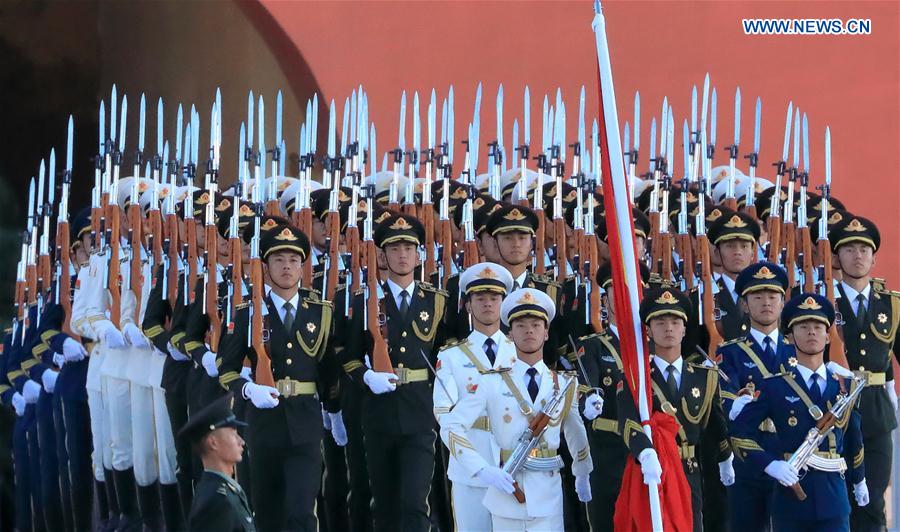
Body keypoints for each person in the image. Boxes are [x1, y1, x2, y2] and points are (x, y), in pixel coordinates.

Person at [217, 222, 339, 532]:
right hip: (262, 423)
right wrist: (247, 390)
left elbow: (328, 369)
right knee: (266, 511)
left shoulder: (320, 312)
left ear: (302, 265)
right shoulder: (249, 313)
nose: (287, 267)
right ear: (266, 266)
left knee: (301, 511)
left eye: (293, 260)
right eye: (279, 260)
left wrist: (335, 412)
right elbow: (225, 368)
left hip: (305, 421)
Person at [440, 288, 593, 530]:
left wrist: (582, 472)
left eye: (536, 325)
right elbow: (450, 426)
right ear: (510, 333)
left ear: (546, 333)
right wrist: (481, 469)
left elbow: (575, 434)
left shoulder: (564, 384)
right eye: (521, 326)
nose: (529, 330)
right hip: (508, 492)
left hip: (548, 495)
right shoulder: (491, 382)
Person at [341, 213, 448, 532]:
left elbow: (449, 355)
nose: (402, 255)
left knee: (415, 503)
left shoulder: (436, 301)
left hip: (420, 413)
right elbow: (347, 358)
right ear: (383, 255)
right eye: (394, 248)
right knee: (384, 503)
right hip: (378, 414)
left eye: (409, 248)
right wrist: (366, 377)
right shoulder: (364, 302)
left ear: (419, 255)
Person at [731, 293, 869, 531]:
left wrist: (859, 479)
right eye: (803, 327)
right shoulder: (775, 386)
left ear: (828, 336)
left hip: (834, 499)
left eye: (818, 327)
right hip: (791, 501)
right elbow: (740, 432)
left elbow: (853, 435)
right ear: (790, 337)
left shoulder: (843, 385)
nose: (811, 332)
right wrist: (770, 465)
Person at [618, 287, 734, 532]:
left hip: (690, 470)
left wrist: (725, 457)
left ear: (684, 328)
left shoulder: (704, 377)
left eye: (675, 321)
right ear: (648, 330)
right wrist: (645, 453)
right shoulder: (635, 377)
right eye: (660, 322)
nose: (668, 328)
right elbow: (628, 422)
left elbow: (715, 423)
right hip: (652, 471)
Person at [433, 261, 516, 531]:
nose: (488, 304)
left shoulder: (521, 354)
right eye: (480, 298)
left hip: (516, 465)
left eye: (494, 298)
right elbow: (444, 416)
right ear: (468, 305)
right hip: (471, 470)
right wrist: (478, 466)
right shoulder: (452, 357)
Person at [829, 214, 899, 530]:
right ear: (837, 256)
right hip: (834, 409)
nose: (857, 256)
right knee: (838, 501)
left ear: (873, 257)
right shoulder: (824, 302)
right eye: (849, 249)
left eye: (863, 249)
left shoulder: (892, 304)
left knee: (872, 501)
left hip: (876, 412)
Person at [717, 261, 792, 532]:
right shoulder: (731, 351)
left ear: (783, 302)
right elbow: (724, 393)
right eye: (757, 297)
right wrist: (734, 404)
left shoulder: (797, 352)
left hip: (788, 449)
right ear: (745, 305)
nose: (766, 303)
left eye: (773, 296)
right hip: (748, 451)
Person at [179, 392, 255, 531]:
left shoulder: (226, 490)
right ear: (213, 443)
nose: (241, 441)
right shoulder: (216, 503)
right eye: (233, 434)